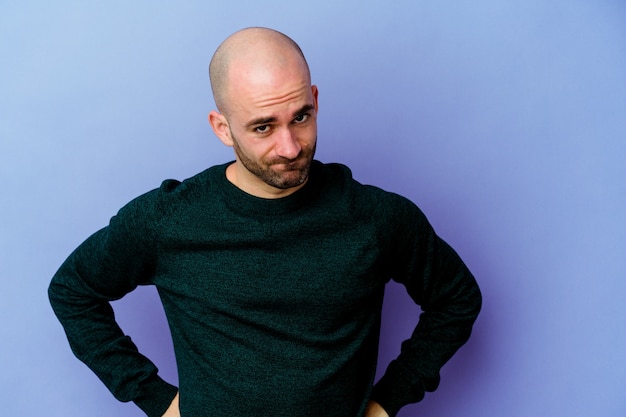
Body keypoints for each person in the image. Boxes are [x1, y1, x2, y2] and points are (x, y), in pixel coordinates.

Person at [48, 27, 481, 417]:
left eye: (301, 117)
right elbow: (72, 290)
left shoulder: (375, 218)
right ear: (222, 128)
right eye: (262, 127)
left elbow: (456, 299)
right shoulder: (167, 220)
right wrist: (155, 400)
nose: (290, 147)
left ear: (315, 99)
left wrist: (387, 402)